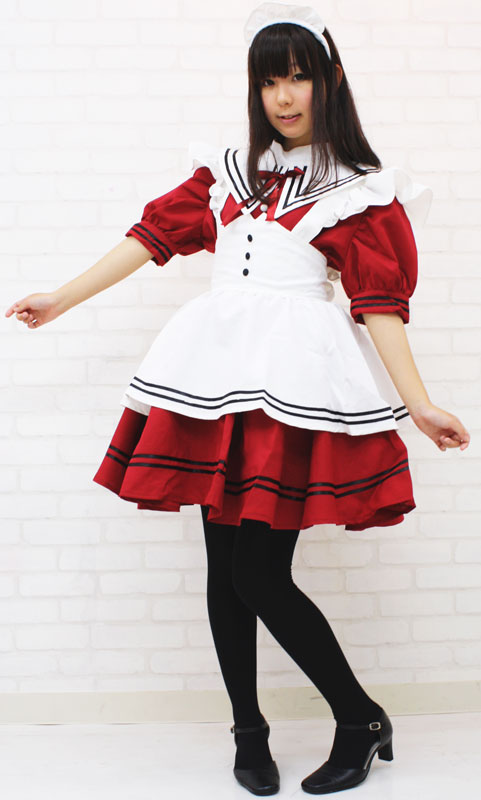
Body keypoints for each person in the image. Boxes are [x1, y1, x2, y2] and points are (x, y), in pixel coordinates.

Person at [5, 1, 471, 796]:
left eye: (298, 77)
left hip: (292, 381)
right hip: (213, 374)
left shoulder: (361, 189)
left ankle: (359, 718)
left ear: (329, 80)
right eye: (268, 81)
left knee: (258, 572)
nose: (283, 96)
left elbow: (379, 305)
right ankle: (247, 732)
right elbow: (148, 239)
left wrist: (418, 404)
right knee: (224, 570)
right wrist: (62, 298)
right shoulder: (225, 171)